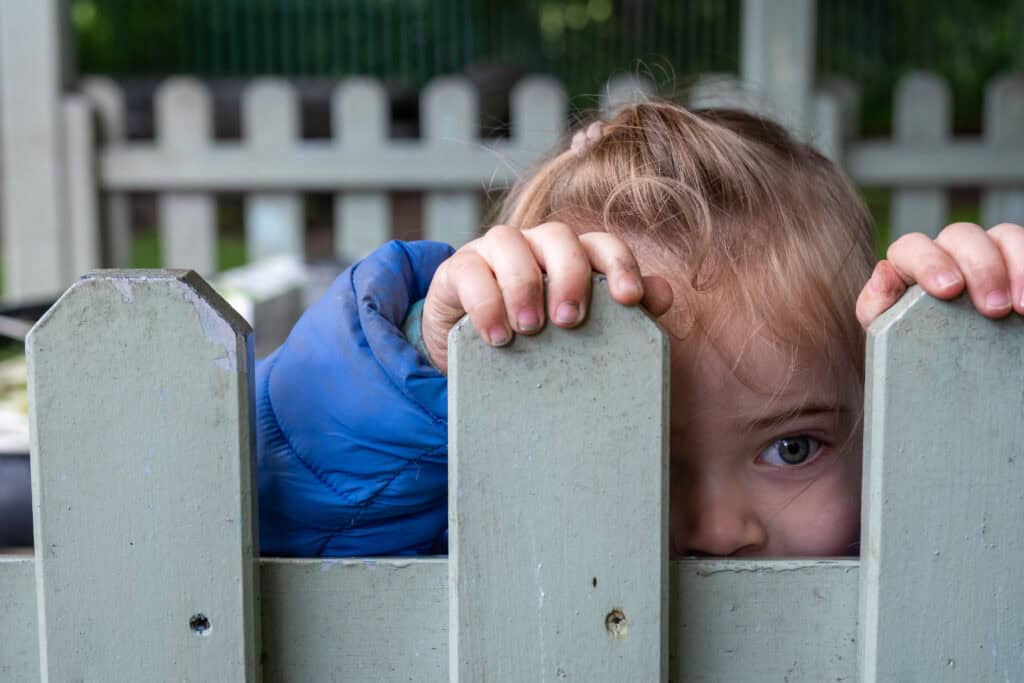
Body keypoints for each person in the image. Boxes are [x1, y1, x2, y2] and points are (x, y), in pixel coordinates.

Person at [255, 102, 1024, 558]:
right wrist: (427, 376)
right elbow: (291, 504)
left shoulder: (938, 563)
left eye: (793, 447)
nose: (718, 530)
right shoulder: (452, 528)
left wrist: (996, 358)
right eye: (649, 454)